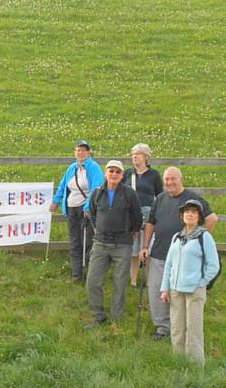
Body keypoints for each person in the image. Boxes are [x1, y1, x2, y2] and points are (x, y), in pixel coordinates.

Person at [140, 167, 218, 340]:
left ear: (180, 179)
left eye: (173, 179)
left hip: (182, 258)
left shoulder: (192, 199)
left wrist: (199, 240)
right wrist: (145, 246)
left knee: (178, 294)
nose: (169, 182)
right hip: (159, 253)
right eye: (166, 179)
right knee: (155, 291)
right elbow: (151, 223)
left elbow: (212, 218)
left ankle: (181, 329)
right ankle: (162, 328)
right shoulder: (160, 198)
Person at [160, 200, 219, 366]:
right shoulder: (176, 238)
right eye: (187, 211)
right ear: (182, 215)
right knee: (177, 329)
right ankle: (179, 362)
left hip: (195, 291)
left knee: (193, 329)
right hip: (175, 290)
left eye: (194, 212)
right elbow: (169, 265)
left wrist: (201, 283)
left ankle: (195, 366)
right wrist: (165, 288)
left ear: (199, 216)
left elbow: (213, 265)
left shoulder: (204, 236)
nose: (190, 214)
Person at [85, 160, 142, 329]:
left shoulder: (129, 194)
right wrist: (97, 229)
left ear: (122, 175)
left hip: (122, 245)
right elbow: (92, 214)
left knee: (119, 283)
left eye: (118, 172)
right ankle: (98, 317)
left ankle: (117, 319)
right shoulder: (97, 193)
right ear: (106, 173)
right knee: (92, 282)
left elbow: (137, 217)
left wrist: (130, 233)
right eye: (111, 171)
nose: (114, 174)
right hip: (100, 244)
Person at [50, 140, 104, 282]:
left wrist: (87, 207)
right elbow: (63, 185)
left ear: (89, 152)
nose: (80, 153)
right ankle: (76, 273)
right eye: (78, 150)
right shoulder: (72, 168)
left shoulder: (93, 168)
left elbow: (96, 188)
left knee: (87, 240)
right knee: (74, 240)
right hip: (71, 208)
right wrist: (56, 201)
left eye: (83, 150)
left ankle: (90, 273)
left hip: (86, 210)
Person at [122, 143, 163, 286]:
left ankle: (148, 280)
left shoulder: (154, 175)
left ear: (146, 157)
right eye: (133, 154)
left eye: (137, 154)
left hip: (148, 213)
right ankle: (133, 280)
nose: (134, 156)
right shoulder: (127, 173)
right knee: (133, 249)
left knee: (147, 248)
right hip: (130, 214)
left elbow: (160, 195)